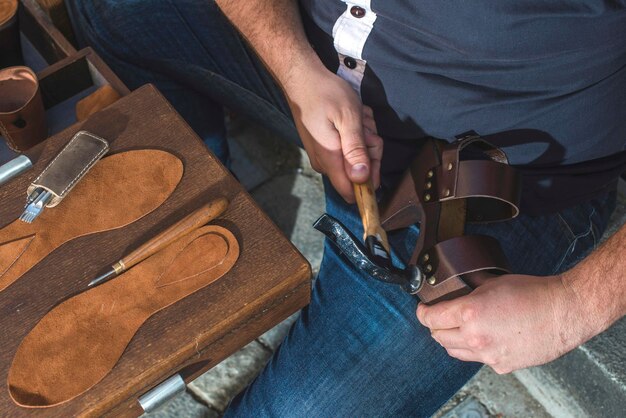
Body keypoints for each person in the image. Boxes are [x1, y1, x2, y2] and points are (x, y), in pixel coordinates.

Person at [65, 1, 626, 416]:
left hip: (495, 180)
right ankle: (200, 225)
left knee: (296, 410)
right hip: (315, 68)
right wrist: (294, 70)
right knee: (118, 10)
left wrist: (572, 307)